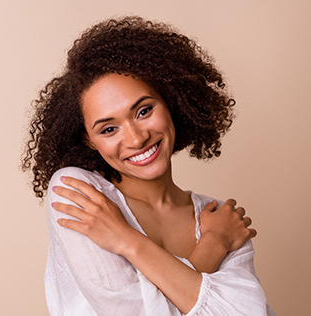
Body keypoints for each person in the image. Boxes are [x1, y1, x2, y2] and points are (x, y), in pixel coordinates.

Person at [22, 16, 275, 315]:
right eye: (108, 129)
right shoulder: (80, 195)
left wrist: (126, 241)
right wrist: (214, 244)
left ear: (171, 101)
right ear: (89, 140)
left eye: (143, 111)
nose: (136, 138)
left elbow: (246, 312)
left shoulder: (221, 218)